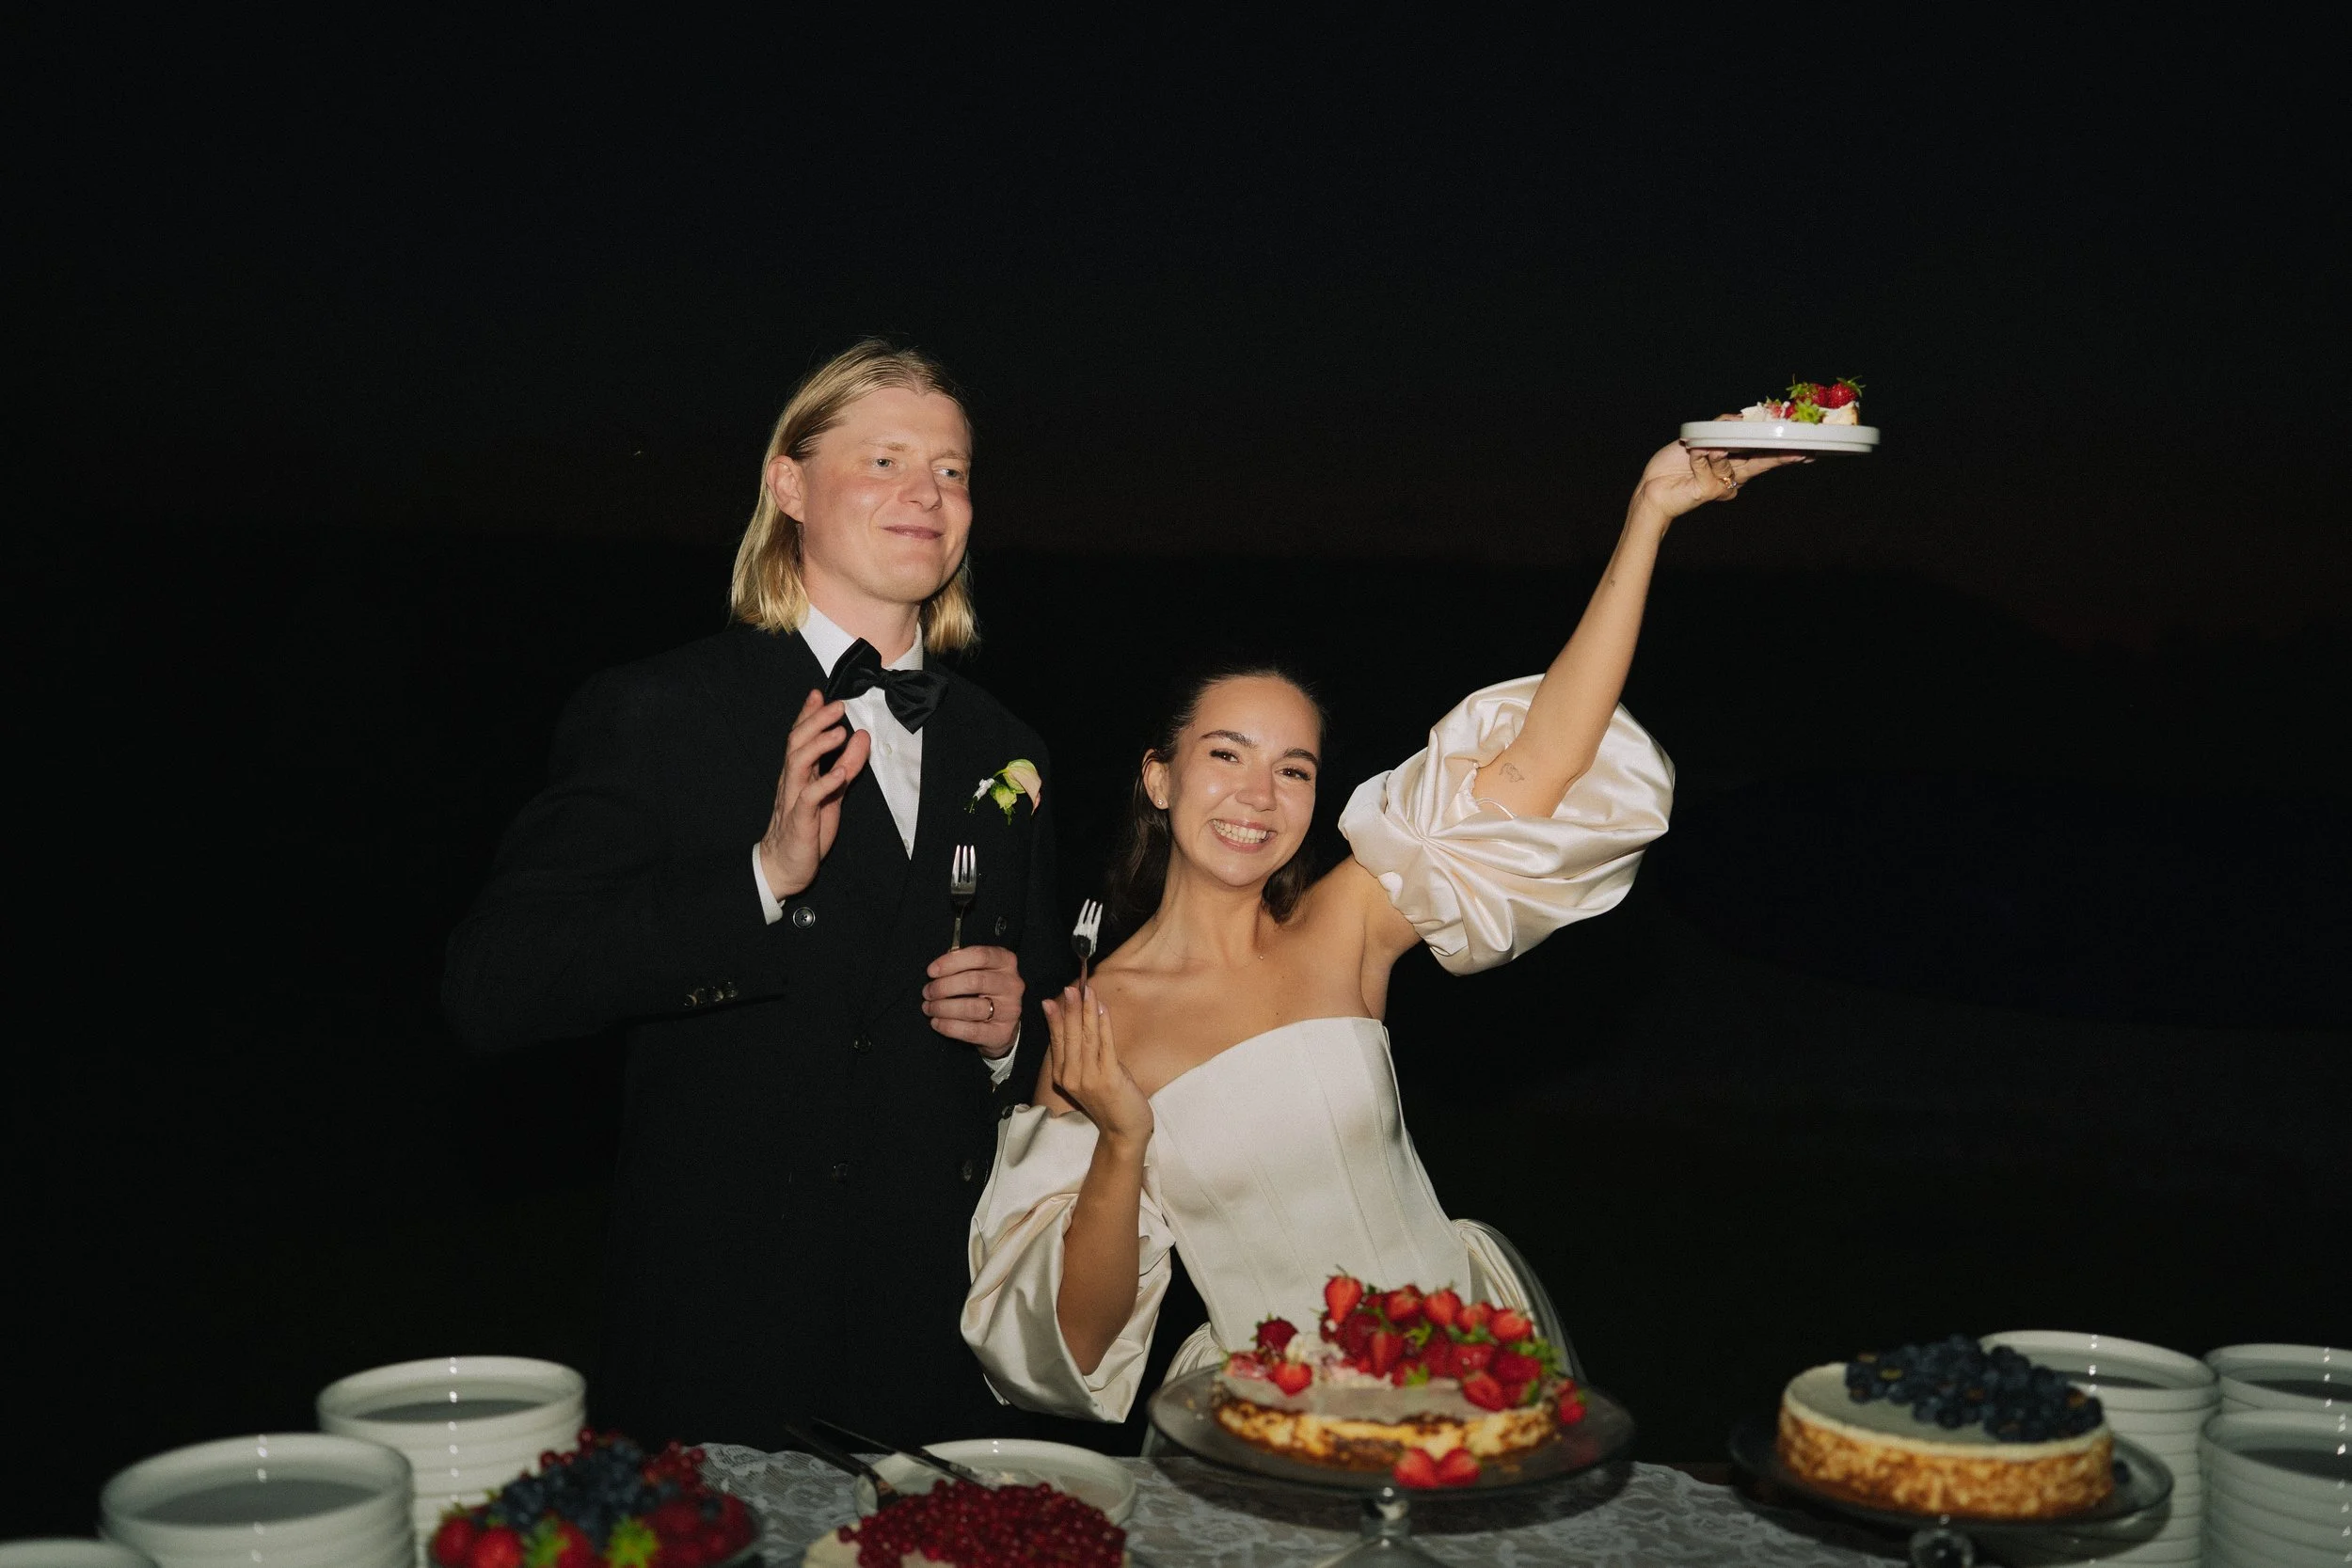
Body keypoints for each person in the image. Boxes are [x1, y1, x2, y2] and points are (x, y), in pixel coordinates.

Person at [961, 435, 1799, 1420]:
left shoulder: (1345, 923)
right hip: (1271, 1417)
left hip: (1464, 1367)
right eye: (1225, 754)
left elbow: (1540, 766)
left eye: (1293, 768)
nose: (1256, 795)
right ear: (1159, 775)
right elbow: (1073, 1344)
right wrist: (1122, 1136)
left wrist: (1649, 514)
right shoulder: (1092, 1027)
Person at [445, 341, 1066, 1446]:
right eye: (884, 459)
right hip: (727, 1343)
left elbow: (1040, 1053)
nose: (927, 493)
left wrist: (1013, 1039)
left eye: (953, 470)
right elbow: (497, 988)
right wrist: (761, 878)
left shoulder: (1006, 747)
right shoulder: (661, 710)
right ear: (790, 485)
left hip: (939, 1351)